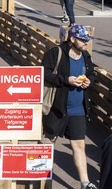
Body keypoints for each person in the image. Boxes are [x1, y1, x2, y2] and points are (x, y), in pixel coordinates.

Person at [41, 25, 97, 189]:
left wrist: (89, 81)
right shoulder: (55, 53)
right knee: (49, 142)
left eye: (87, 40)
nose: (86, 43)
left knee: (79, 145)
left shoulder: (85, 55)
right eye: (83, 40)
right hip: (57, 107)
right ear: (72, 39)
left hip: (78, 109)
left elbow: (92, 73)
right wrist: (67, 80)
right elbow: (44, 73)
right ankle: (44, 181)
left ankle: (85, 183)